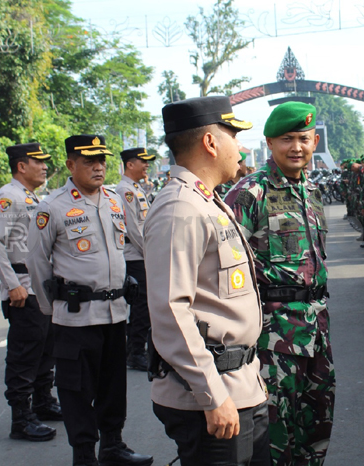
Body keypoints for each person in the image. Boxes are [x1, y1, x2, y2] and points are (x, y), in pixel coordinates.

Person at [145, 96, 269, 466]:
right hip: (212, 395)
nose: (241, 147)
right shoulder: (180, 208)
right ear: (211, 143)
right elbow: (170, 311)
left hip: (241, 385)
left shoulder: (206, 201)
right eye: (233, 135)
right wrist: (213, 396)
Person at [26, 135, 152, 466]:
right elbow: (38, 264)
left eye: (102, 161)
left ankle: (113, 445)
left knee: (113, 386)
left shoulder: (113, 200)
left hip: (114, 312)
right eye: (89, 161)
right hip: (76, 316)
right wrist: (49, 309)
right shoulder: (52, 207)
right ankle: (84, 455)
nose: (98, 167)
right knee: (77, 391)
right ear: (70, 165)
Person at [225, 101, 336, 466]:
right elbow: (221, 270)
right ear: (269, 143)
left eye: (304, 138)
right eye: (287, 139)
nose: (297, 147)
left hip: (316, 333)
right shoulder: (249, 194)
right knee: (276, 438)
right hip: (273, 342)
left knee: (316, 429)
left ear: (315, 140)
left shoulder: (312, 192)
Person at [0, 142, 61, 442]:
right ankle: (21, 418)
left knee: (45, 350)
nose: (44, 166)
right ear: (21, 166)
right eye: (37, 162)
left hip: (39, 288)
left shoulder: (30, 197)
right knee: (24, 355)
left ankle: (43, 402)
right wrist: (11, 283)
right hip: (23, 289)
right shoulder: (7, 197)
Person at [116, 147, 156, 371]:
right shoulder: (125, 191)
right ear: (130, 164)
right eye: (143, 161)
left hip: (141, 254)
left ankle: (134, 347)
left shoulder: (134, 188)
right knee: (142, 305)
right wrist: (150, 254)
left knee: (144, 304)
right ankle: (136, 350)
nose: (147, 165)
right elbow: (133, 229)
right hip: (136, 256)